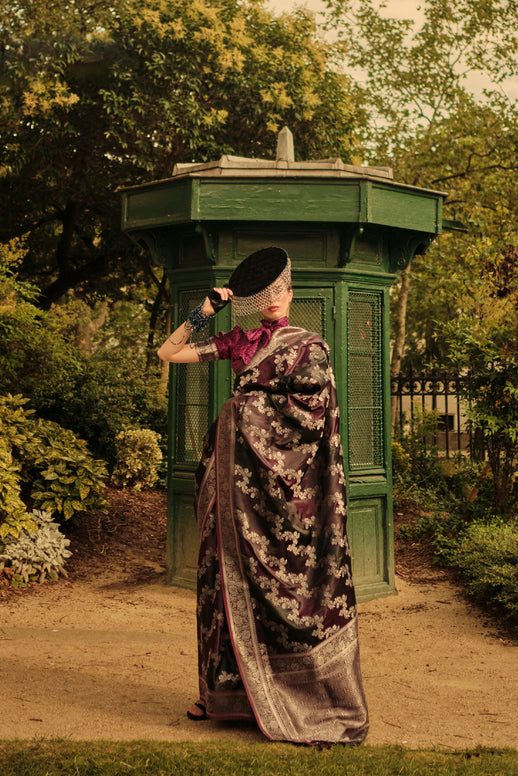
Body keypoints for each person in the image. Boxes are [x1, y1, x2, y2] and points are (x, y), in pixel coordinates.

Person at [157, 247, 369, 745]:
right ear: (255, 301)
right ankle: (218, 694)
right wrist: (203, 312)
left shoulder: (309, 347)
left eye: (281, 292)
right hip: (230, 485)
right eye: (266, 294)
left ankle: (296, 693)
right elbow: (170, 353)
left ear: (291, 295)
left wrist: (245, 413)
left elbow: (312, 415)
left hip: (280, 494)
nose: (274, 300)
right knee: (220, 581)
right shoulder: (237, 342)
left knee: (281, 587)